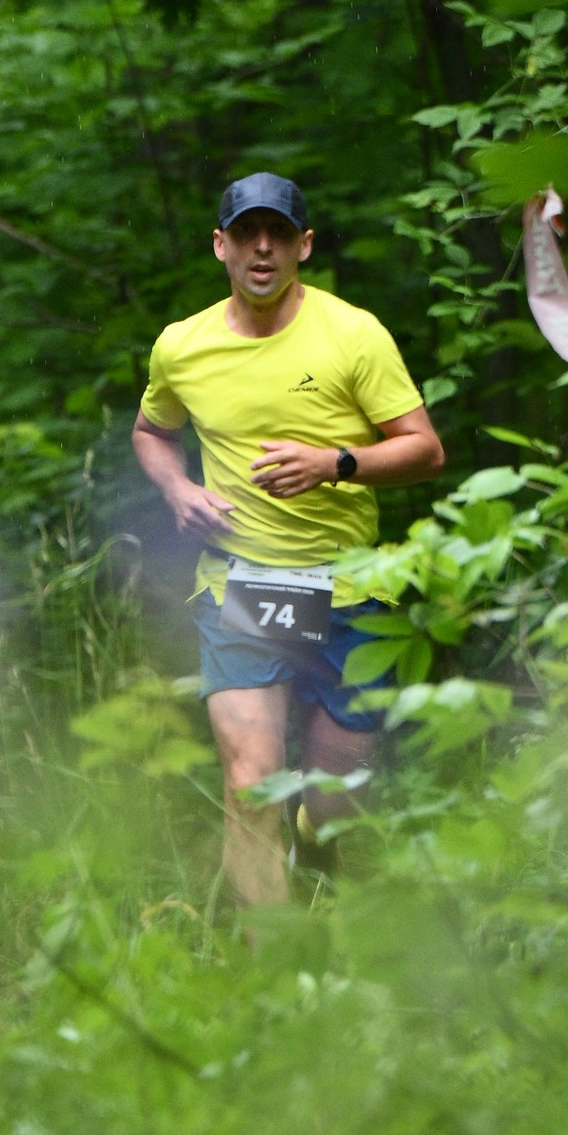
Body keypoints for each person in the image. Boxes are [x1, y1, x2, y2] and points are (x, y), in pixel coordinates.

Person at [131, 173, 444, 921]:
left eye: (277, 233)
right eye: (245, 233)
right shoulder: (183, 347)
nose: (261, 247)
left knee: (335, 801)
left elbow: (425, 449)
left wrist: (336, 462)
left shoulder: (353, 334)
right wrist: (177, 491)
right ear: (221, 245)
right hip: (240, 585)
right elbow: (152, 433)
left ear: (304, 245)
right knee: (250, 783)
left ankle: (315, 841)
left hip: (350, 589)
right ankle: (269, 977)